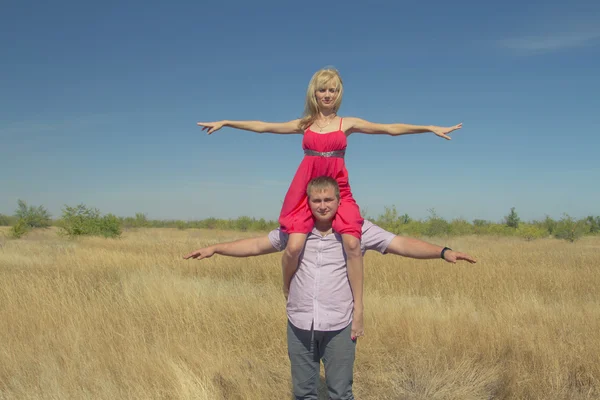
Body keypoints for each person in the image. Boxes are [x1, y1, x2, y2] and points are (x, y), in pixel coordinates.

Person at [197, 68, 464, 340]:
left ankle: (358, 309)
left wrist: (429, 128)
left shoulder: (346, 124)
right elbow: (264, 126)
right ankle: (288, 289)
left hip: (337, 190)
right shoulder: (305, 124)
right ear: (314, 93)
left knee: (351, 243)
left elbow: (389, 129)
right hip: (306, 191)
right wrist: (227, 122)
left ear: (339, 94)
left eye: (333, 90)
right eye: (323, 89)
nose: (328, 95)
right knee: (294, 246)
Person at [184, 176, 476, 400]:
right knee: (304, 392)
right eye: (316, 200)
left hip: (339, 324)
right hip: (300, 322)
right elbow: (256, 245)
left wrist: (443, 251)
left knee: (340, 392)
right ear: (307, 202)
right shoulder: (295, 231)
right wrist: (217, 248)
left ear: (339, 201)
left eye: (328, 199)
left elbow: (400, 243)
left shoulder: (357, 230)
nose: (322, 205)